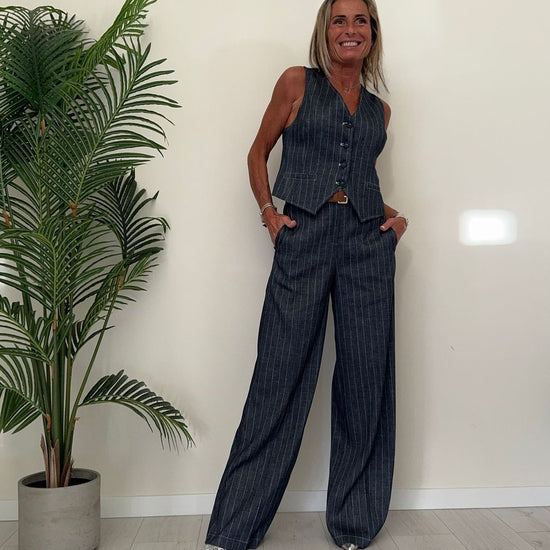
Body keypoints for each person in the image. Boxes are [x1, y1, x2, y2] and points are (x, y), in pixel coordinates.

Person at [206, 1, 407, 548]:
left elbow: (359, 179)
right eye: (340, 20)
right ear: (325, 30)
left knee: (365, 381)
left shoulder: (381, 111)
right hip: (305, 237)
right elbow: (257, 152)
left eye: (361, 21)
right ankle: (235, 529)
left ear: (372, 34)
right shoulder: (296, 82)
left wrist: (393, 222)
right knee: (278, 376)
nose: (350, 29)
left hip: (366, 245)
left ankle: (354, 525)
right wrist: (268, 213)